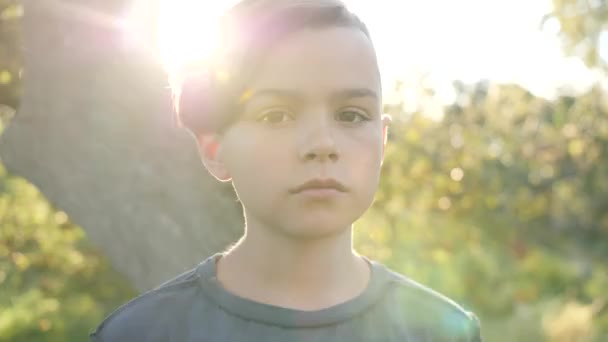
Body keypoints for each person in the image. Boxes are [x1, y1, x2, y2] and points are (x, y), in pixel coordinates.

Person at [90, 0, 483, 340]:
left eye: (350, 114)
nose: (322, 145)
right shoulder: (142, 334)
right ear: (215, 149)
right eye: (276, 115)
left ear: (381, 141)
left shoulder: (443, 331)